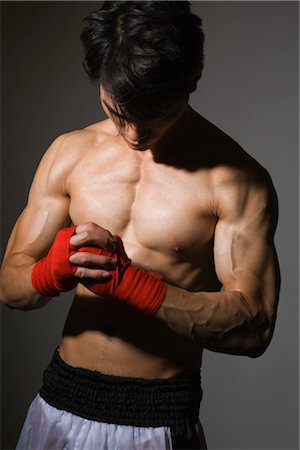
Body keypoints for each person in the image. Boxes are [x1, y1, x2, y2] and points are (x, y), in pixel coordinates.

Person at [0, 1, 281, 449]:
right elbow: (10, 287)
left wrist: (138, 287)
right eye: (119, 111)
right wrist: (50, 271)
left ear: (194, 74)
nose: (133, 135)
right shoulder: (69, 154)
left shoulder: (235, 182)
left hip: (157, 418)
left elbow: (255, 328)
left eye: (153, 113)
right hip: (58, 402)